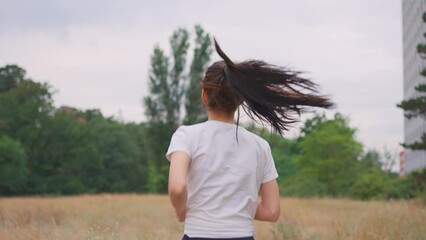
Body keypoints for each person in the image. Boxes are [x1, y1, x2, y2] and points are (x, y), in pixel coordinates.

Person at [166, 39, 333, 240]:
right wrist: (235, 205)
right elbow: (272, 212)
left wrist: (181, 210)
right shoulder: (260, 146)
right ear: (241, 99)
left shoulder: (186, 136)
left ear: (204, 95)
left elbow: (177, 187)